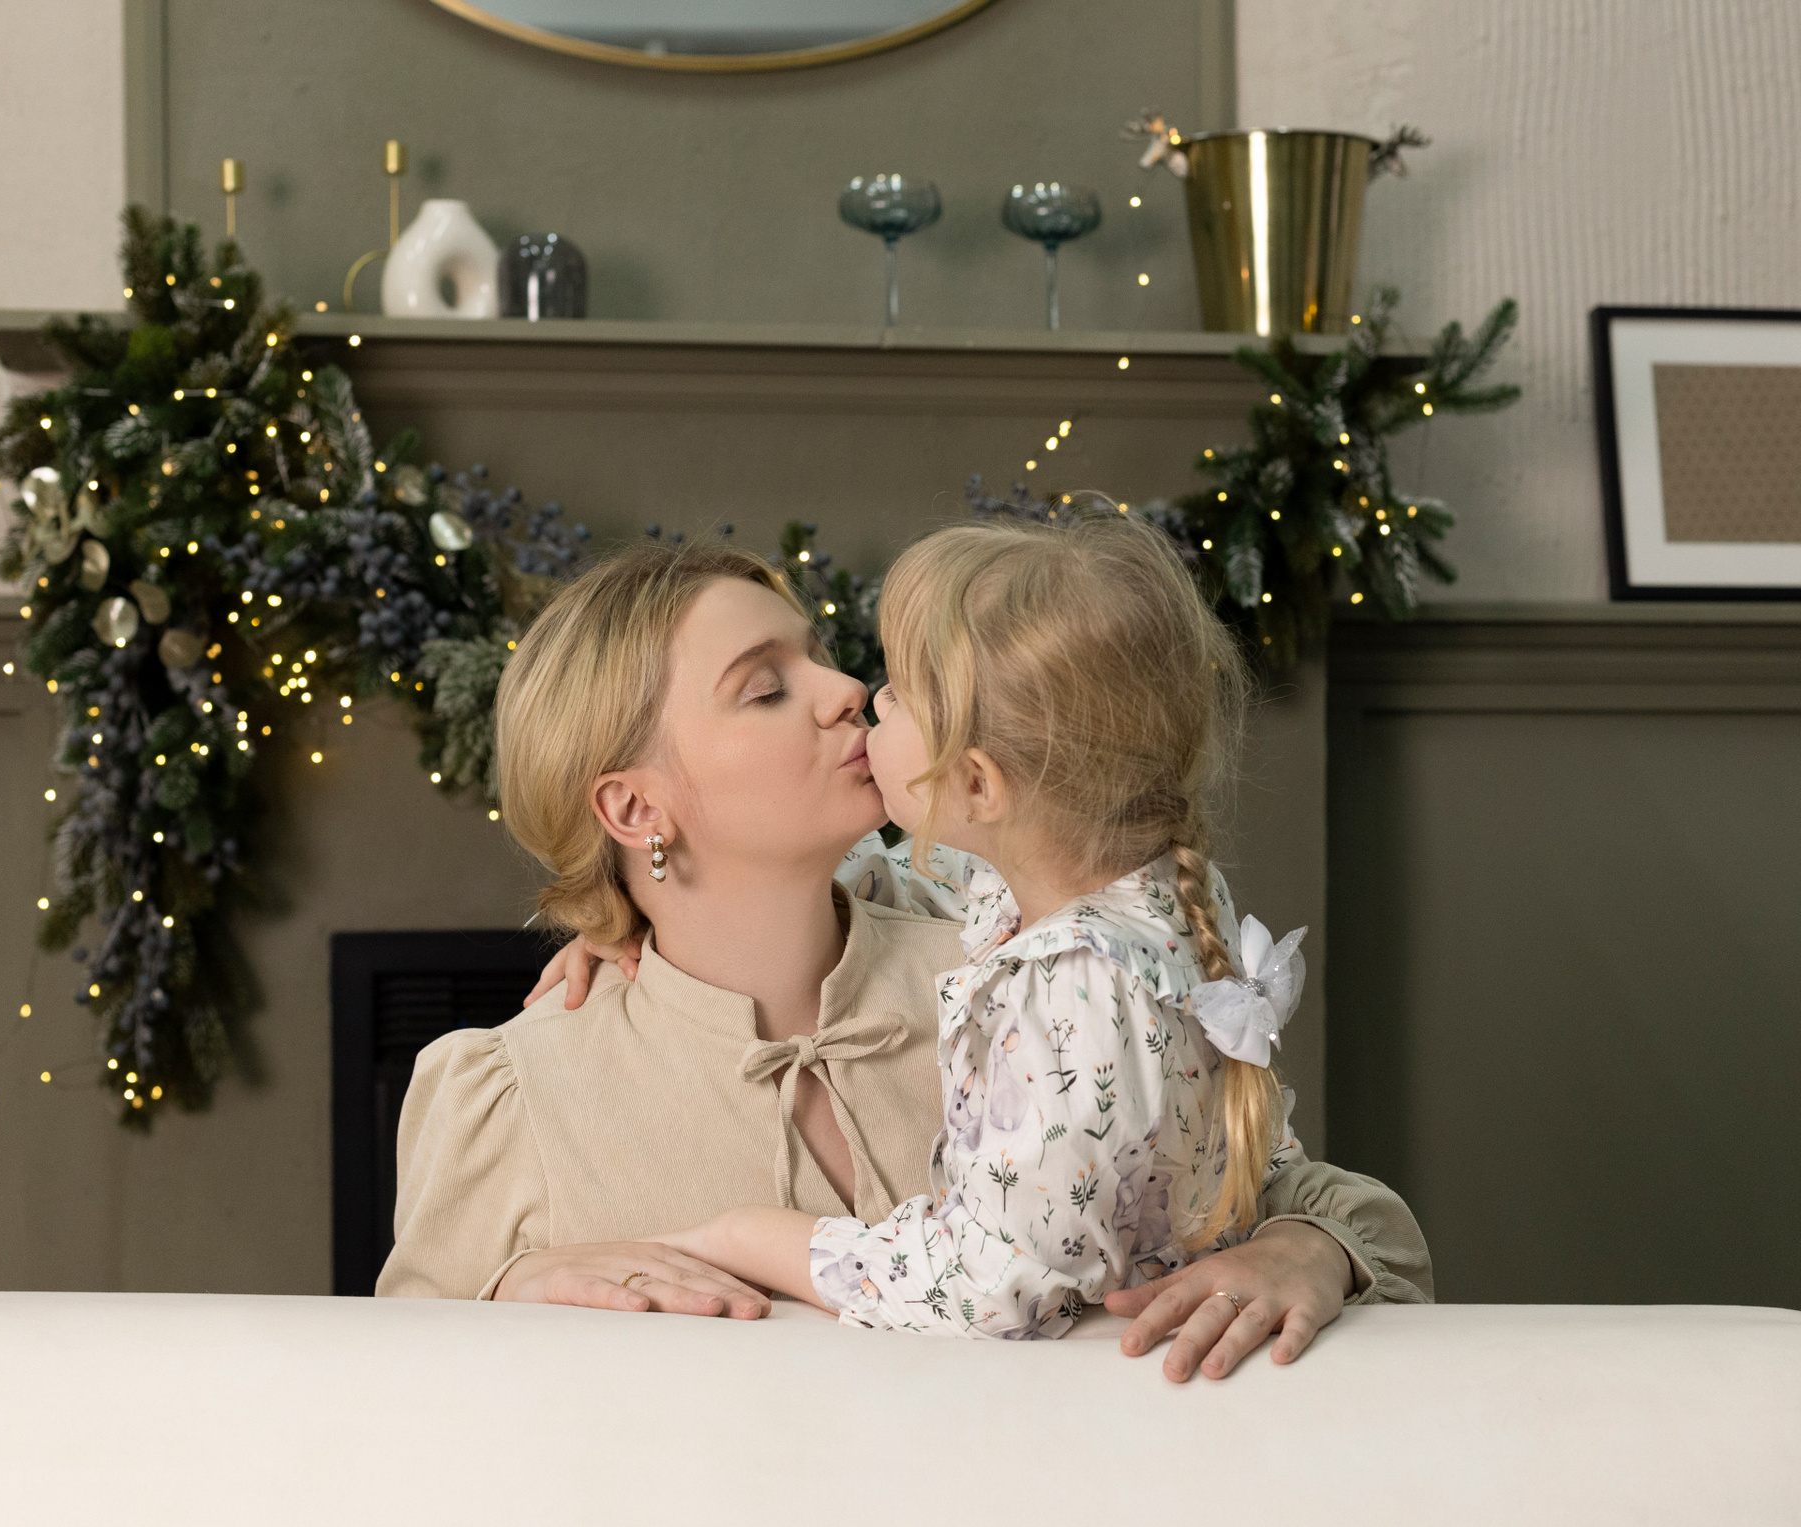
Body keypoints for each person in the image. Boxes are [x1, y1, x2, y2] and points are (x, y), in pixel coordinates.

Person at [376, 539, 1431, 1380]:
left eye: (821, 655)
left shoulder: (1022, 976)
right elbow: (391, 1399)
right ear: (634, 807)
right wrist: (508, 1294)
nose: (847, 688)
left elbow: (1281, 1183)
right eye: (765, 688)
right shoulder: (512, 1096)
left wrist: (1311, 1249)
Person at [653, 516, 1317, 1338]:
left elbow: (993, 1286)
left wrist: (745, 1236)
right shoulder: (1129, 892)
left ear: (976, 785)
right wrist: (633, 913)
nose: (866, 696)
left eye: (900, 696)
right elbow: (901, 880)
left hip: (1100, 1381)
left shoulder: (1071, 988)